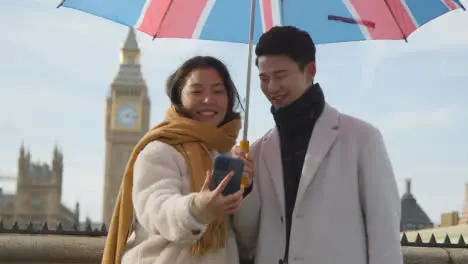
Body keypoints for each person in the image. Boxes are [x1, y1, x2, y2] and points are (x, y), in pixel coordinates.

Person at [232, 26, 403, 264]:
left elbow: (384, 233)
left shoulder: (362, 138)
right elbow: (247, 239)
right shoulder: (257, 150)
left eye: (280, 76)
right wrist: (244, 187)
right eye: (264, 78)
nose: (271, 88)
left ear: (310, 70)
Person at [101, 56, 255, 264]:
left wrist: (246, 188)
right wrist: (197, 208)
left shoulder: (226, 155)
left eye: (218, 91)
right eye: (197, 91)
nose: (208, 100)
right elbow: (156, 209)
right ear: (178, 98)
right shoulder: (160, 149)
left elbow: (246, 236)